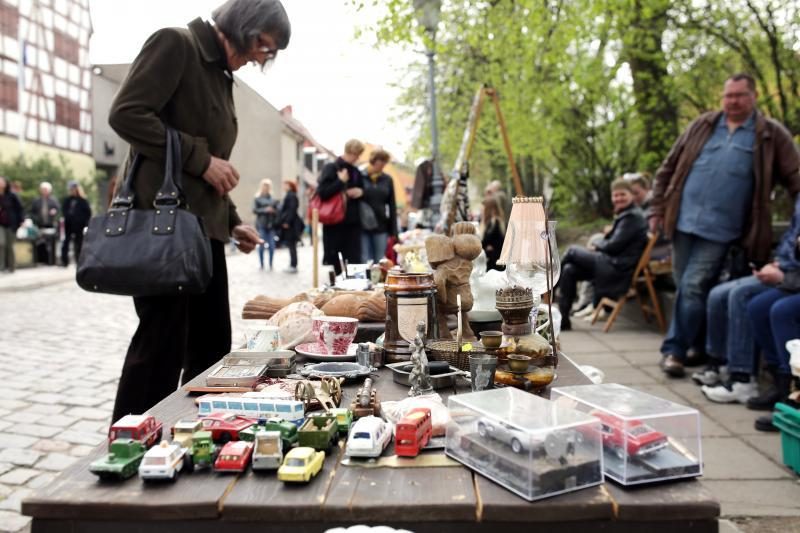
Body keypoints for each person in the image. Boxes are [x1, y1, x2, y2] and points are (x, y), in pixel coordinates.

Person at [107, 0, 289, 423]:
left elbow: (206, 171)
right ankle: (128, 444)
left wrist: (233, 222)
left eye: (270, 51)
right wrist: (200, 158)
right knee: (160, 348)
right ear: (242, 24)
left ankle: (191, 435)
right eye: (262, 44)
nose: (261, 57)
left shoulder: (221, 75)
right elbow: (126, 114)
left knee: (210, 349)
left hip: (202, 234)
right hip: (163, 230)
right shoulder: (177, 44)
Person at [650, 73, 800, 378]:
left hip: (722, 230)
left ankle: (674, 351)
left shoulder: (769, 134)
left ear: (754, 96)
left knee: (692, 286)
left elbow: (796, 177)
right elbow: (668, 167)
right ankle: (697, 347)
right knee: (687, 287)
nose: (732, 101)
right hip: (681, 221)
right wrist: (656, 207)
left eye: (739, 95)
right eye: (727, 95)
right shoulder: (703, 125)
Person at [698, 198, 800, 406]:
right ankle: (779, 384)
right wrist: (778, 264)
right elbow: (791, 243)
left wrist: (783, 275)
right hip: (789, 272)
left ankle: (784, 389)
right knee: (754, 305)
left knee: (773, 307)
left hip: (792, 277)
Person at [558, 179, 648, 330]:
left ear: (631, 195)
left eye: (622, 194)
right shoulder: (627, 214)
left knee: (572, 251)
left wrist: (596, 245)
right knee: (569, 270)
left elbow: (613, 246)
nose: (618, 198)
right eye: (615, 195)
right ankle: (564, 320)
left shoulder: (632, 217)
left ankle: (549, 288)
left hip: (617, 267)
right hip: (609, 263)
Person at [317, 139, 365, 275]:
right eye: (356, 154)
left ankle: (356, 292)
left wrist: (360, 192)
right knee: (336, 264)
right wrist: (340, 182)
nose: (357, 158)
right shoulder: (331, 168)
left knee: (355, 262)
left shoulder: (356, 171)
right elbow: (323, 193)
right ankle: (338, 293)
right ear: (349, 152)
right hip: (334, 224)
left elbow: (363, 190)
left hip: (353, 223)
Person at [360, 149, 397, 263]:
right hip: (363, 225)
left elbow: (392, 205)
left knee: (380, 260)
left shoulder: (387, 179)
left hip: (381, 225)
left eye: (384, 162)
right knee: (364, 259)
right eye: (380, 162)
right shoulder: (361, 177)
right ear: (373, 161)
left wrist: (394, 231)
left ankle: (378, 281)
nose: (382, 165)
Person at [60, 181, 92, 267]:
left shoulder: (83, 201)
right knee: (66, 243)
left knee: (79, 244)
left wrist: (85, 224)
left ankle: (79, 261)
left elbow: (87, 214)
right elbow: (64, 211)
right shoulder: (67, 200)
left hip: (79, 225)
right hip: (69, 225)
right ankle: (64, 261)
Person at [30, 181, 59, 265]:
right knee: (39, 242)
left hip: (50, 224)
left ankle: (50, 260)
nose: (44, 191)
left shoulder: (53, 200)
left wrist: (54, 211)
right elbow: (32, 212)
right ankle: (40, 259)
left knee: (50, 243)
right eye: (43, 189)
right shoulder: (36, 200)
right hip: (39, 224)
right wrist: (35, 218)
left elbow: (58, 209)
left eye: (46, 189)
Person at [253, 179, 279, 270]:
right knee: (261, 246)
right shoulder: (257, 198)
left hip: (271, 226)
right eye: (264, 186)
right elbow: (254, 210)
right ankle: (262, 264)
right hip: (261, 225)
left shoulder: (273, 199)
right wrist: (265, 210)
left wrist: (273, 211)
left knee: (272, 246)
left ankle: (271, 264)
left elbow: (278, 211)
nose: (266, 188)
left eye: (267, 186)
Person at [0, 176, 24, 273]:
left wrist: (21, 221)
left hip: (11, 224)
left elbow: (20, 208)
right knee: (1, 244)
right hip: (0, 224)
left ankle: (11, 266)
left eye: (1, 181)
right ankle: (1, 266)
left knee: (10, 246)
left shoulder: (12, 195)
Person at [278, 179, 302, 273]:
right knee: (291, 245)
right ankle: (292, 264)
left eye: (285, 185)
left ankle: (293, 265)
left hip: (291, 225)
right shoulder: (290, 195)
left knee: (292, 245)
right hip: (290, 224)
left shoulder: (291, 196)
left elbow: (292, 210)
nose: (284, 186)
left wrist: (287, 222)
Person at [481, 195, 505, 271]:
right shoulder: (497, 222)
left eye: (484, 207)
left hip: (494, 264)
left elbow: (484, 242)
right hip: (496, 262)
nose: (482, 210)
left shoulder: (494, 223)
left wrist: (487, 247)